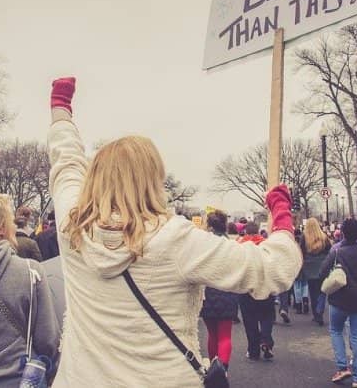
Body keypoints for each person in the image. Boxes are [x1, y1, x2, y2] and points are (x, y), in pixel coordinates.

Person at [47, 77, 301, 387]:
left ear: (95, 177)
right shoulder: (174, 239)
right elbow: (273, 269)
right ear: (153, 179)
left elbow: (66, 162)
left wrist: (61, 110)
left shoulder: (72, 227)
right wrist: (281, 212)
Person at [0, 193, 60, 387]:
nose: (15, 226)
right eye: (11, 221)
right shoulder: (30, 272)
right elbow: (48, 341)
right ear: (1, 229)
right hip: (18, 380)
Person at [320, 218, 357, 388]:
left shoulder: (336, 250)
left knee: (336, 331)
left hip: (339, 299)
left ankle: (343, 367)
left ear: (342, 232)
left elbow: (322, 271)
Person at [200, 211, 239, 373]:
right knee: (225, 336)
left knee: (212, 335)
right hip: (227, 290)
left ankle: (212, 367)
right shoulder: (231, 245)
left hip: (208, 291)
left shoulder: (203, 245)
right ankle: (223, 370)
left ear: (209, 225)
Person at [237, 221, 277, 360]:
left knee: (250, 320)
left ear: (246, 232)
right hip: (265, 285)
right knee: (267, 316)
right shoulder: (266, 245)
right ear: (259, 230)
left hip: (247, 287)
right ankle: (266, 340)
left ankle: (253, 350)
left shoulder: (239, 245)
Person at [300, 217, 332, 325]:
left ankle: (316, 314)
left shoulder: (304, 237)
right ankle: (320, 310)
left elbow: (302, 252)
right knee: (322, 291)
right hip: (322, 266)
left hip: (310, 267)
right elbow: (329, 251)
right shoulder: (324, 237)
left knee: (313, 292)